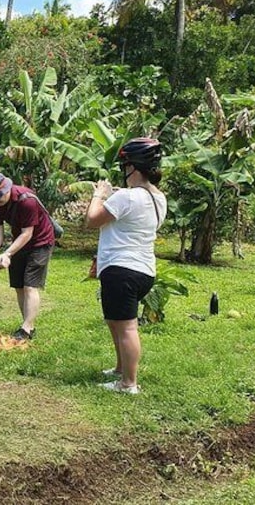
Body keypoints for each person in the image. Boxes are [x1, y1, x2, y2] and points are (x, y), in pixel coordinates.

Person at [85, 137, 166, 395]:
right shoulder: (157, 198)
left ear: (133, 166)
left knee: (127, 326)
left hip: (122, 269)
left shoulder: (128, 198)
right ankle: (121, 369)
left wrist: (99, 195)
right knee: (115, 320)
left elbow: (92, 220)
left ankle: (128, 383)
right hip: (142, 269)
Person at [0, 173, 55, 342]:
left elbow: (27, 233)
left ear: (7, 190)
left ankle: (26, 329)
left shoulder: (26, 200)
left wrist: (7, 253)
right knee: (19, 286)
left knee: (30, 285)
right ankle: (28, 325)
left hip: (40, 242)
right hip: (18, 242)